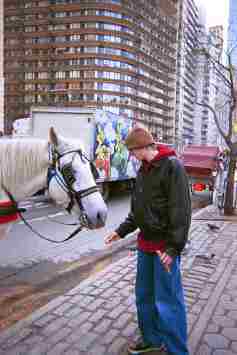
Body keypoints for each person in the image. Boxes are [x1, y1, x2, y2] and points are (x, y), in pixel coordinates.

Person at [105, 126, 191, 355]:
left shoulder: (173, 167)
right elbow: (139, 210)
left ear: (143, 147)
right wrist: (121, 231)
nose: (132, 156)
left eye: (133, 151)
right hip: (145, 245)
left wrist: (173, 249)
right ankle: (152, 340)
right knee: (144, 296)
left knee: (168, 302)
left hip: (164, 248)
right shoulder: (143, 170)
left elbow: (181, 211)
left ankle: (177, 350)